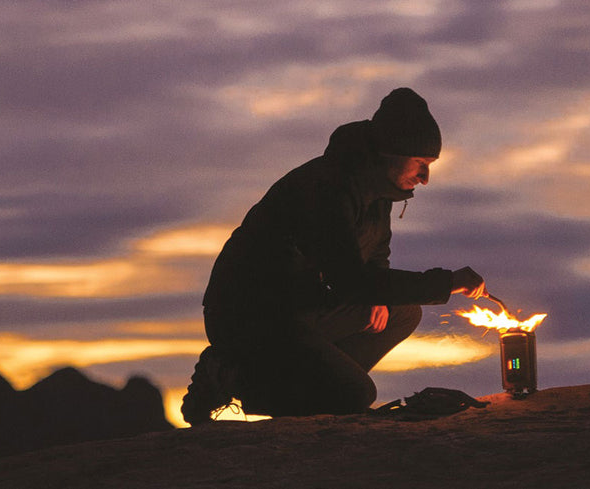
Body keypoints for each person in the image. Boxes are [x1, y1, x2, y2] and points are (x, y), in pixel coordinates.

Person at [181, 87, 487, 426]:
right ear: (390, 152)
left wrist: (379, 296)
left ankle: (311, 387)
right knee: (354, 397)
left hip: (303, 307)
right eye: (420, 163)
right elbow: (349, 281)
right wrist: (446, 282)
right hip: (252, 314)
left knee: (401, 314)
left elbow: (374, 256)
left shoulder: (378, 191)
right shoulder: (328, 187)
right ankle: (231, 374)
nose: (426, 178)